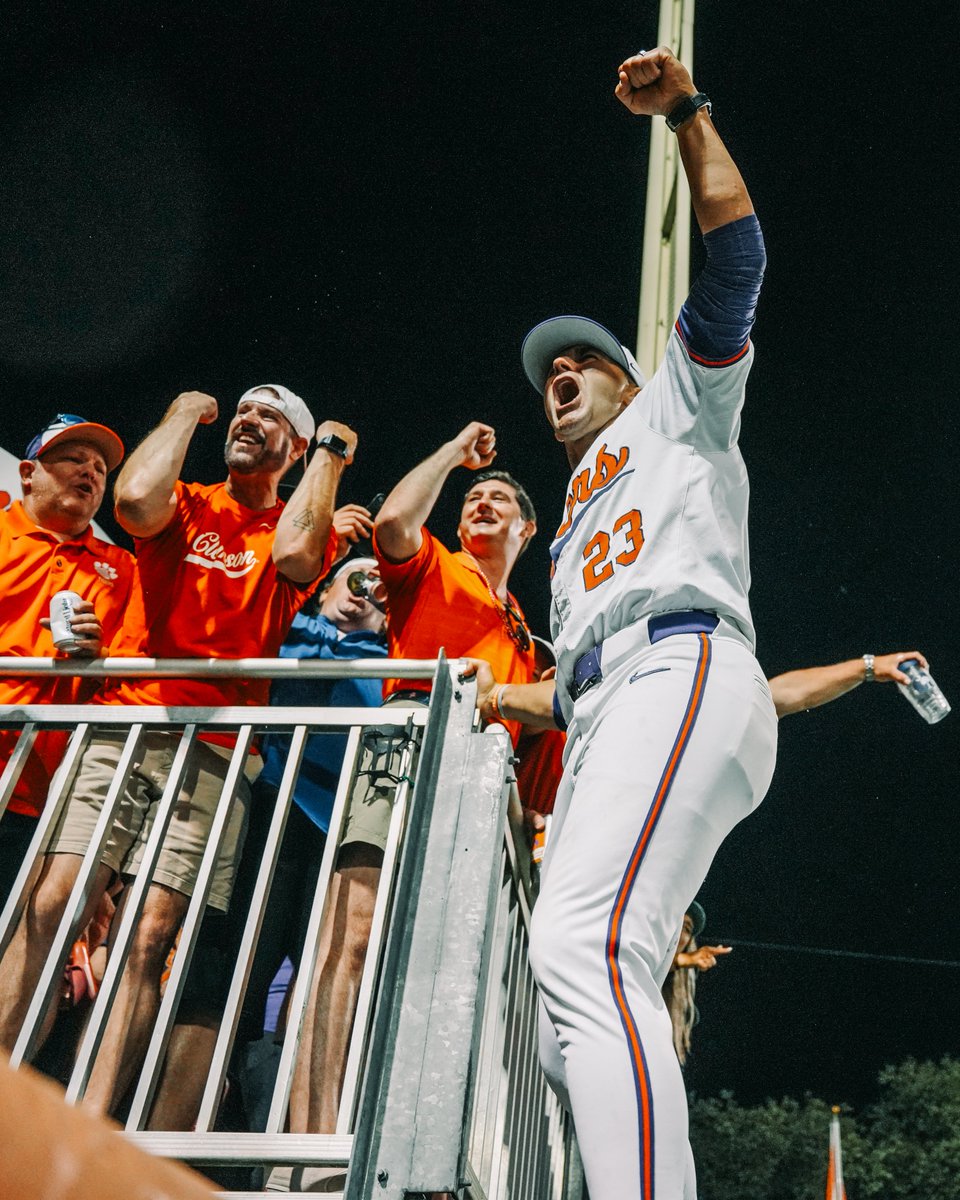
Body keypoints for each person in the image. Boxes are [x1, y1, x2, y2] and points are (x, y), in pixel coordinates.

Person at [467, 46, 778, 1200]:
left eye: (582, 359)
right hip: (614, 704)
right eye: (548, 371)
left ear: (624, 371)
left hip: (684, 665)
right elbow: (570, 681)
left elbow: (738, 254)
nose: (560, 374)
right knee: (566, 1017)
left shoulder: (677, 406)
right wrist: (492, 696)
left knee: (582, 952)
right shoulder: (571, 528)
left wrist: (688, 118)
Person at [0, 384, 362, 1117]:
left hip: (216, 753)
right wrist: (181, 412)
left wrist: (329, 448)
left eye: (269, 417)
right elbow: (133, 499)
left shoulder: (293, 530)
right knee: (54, 901)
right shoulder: (189, 504)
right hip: (125, 727)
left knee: (147, 937)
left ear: (292, 450)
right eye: (242, 410)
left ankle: (85, 1124)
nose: (246, 420)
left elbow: (295, 551)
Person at [266, 428, 540, 1190]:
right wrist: (455, 453)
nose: (483, 503)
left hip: (475, 799)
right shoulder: (435, 567)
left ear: (527, 530)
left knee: (437, 977)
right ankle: (306, 1158)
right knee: (344, 946)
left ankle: (408, 1157)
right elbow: (391, 528)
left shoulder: (525, 631)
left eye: (501, 501)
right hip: (402, 757)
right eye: (475, 500)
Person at [148, 556, 387, 1138]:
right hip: (268, 815)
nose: (364, 593)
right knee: (222, 985)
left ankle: (301, 1159)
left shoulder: (395, 665)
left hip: (346, 845)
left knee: (326, 992)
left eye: (380, 592)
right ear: (324, 586)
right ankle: (165, 1146)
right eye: (353, 579)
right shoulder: (286, 636)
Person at [0, 415, 136, 905]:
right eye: (74, 459)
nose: (91, 472)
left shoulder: (123, 568)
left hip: (41, 792)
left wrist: (101, 655)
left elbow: (133, 670)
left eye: (100, 468)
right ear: (28, 473)